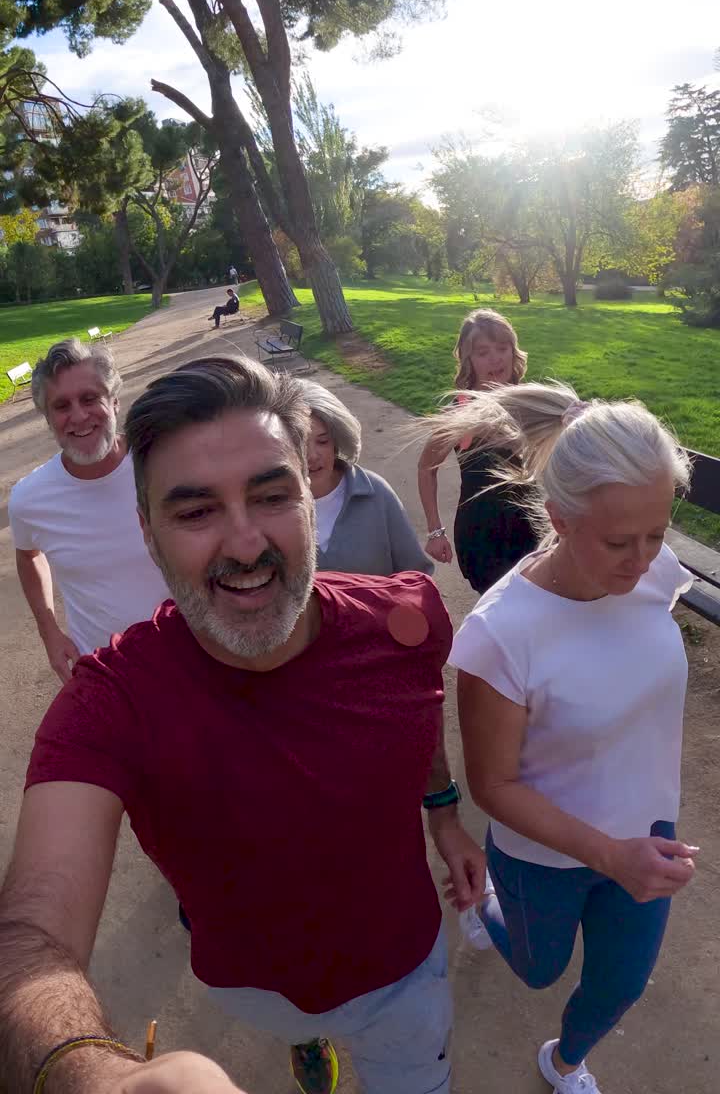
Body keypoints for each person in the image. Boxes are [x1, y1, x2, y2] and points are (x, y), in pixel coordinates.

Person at [0, 356, 486, 1094]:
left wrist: (445, 814)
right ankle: (306, 1038)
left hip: (404, 978)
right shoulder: (109, 703)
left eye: (272, 495)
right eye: (196, 512)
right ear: (148, 533)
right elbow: (30, 937)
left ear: (311, 498)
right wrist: (98, 1078)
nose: (246, 543)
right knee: (298, 1025)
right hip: (253, 988)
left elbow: (418, 712)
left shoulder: (406, 618)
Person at [428, 380, 698, 1094]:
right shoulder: (501, 635)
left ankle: (565, 1061)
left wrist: (628, 848)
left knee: (620, 984)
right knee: (538, 969)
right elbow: (493, 786)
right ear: (558, 518)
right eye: (618, 541)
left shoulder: (649, 572)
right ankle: (486, 901)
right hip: (543, 856)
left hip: (647, 831)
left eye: (656, 534)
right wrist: (607, 855)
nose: (642, 558)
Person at [8, 338, 169, 681]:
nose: (79, 416)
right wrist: (49, 632)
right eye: (61, 405)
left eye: (90, 398)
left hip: (195, 656)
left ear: (114, 401)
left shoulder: (163, 464)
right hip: (107, 670)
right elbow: (28, 556)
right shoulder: (30, 499)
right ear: (48, 418)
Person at [417, 308, 536, 593]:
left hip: (533, 527)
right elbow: (426, 468)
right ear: (468, 359)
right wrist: (435, 531)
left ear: (513, 351)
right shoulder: (461, 412)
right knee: (500, 611)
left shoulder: (530, 402)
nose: (496, 358)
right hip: (484, 538)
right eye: (483, 352)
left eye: (502, 348)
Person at [301, 379, 433, 577]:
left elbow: (416, 575)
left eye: (323, 441)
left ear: (337, 441)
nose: (312, 455)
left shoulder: (376, 492)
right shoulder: (263, 509)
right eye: (300, 443)